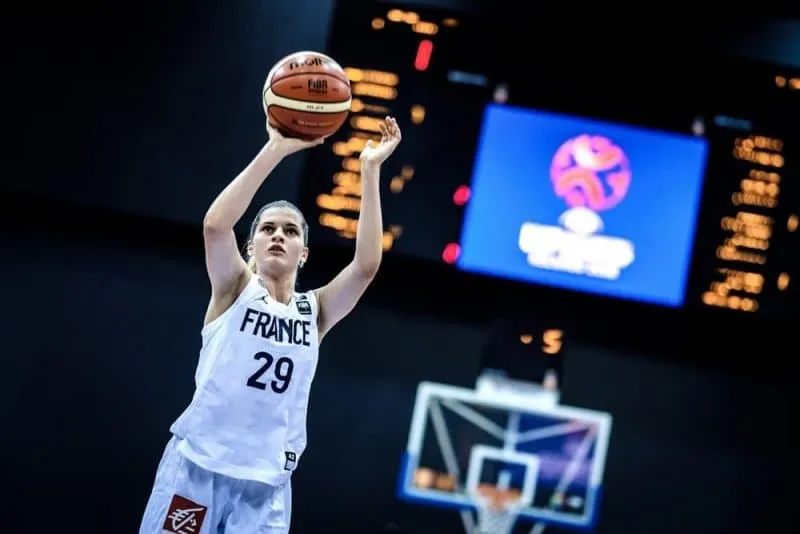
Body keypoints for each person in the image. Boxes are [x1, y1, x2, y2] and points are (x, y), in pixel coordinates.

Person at [139, 116, 402, 533]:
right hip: (198, 468)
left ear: (304, 253)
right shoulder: (233, 288)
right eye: (267, 229)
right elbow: (214, 225)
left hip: (267, 483)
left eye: (290, 231)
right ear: (250, 248)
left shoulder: (314, 310)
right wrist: (276, 148)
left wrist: (370, 170)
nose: (278, 235)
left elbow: (366, 265)